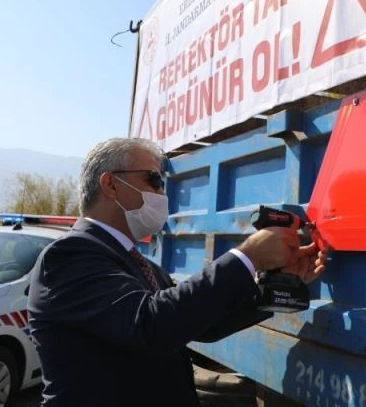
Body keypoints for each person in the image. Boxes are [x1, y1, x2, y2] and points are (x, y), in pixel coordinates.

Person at [28, 137, 327, 407]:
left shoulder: (145, 266)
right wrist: (248, 255)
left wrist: (278, 285)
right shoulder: (67, 256)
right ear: (110, 184)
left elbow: (200, 326)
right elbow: (152, 326)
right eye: (154, 179)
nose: (163, 193)